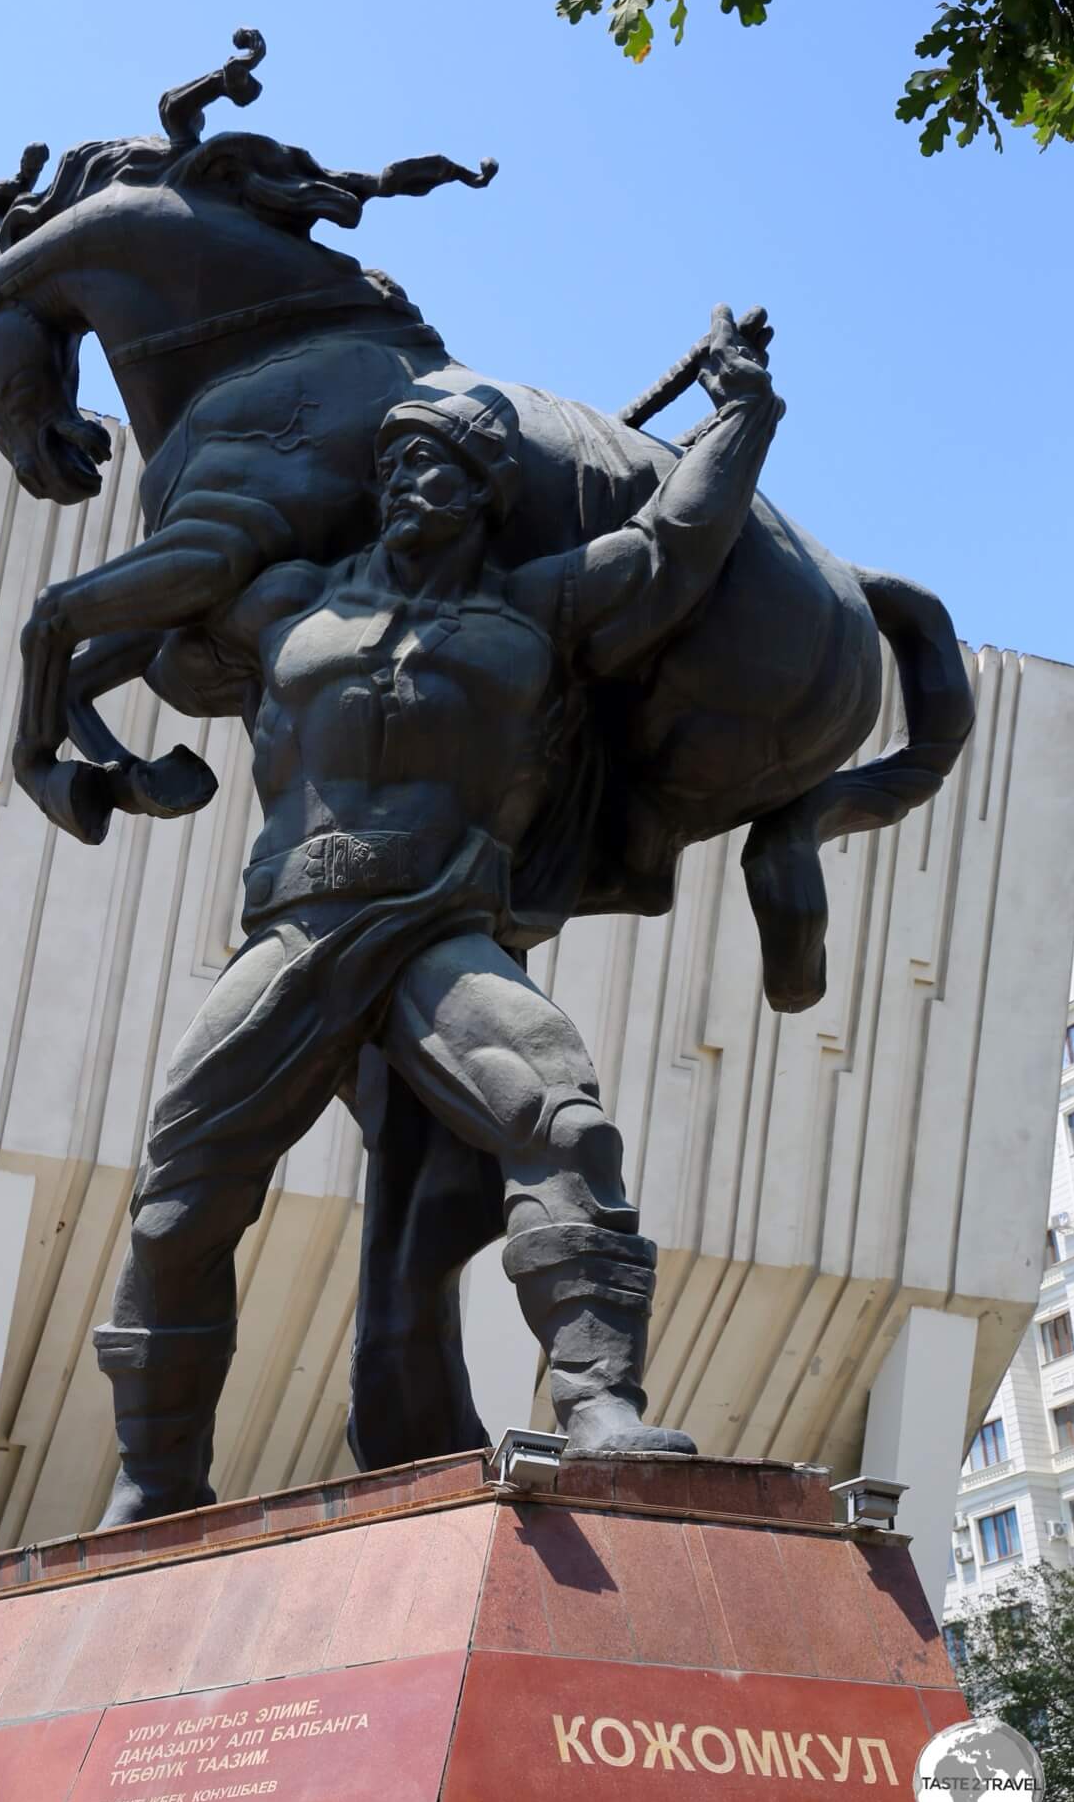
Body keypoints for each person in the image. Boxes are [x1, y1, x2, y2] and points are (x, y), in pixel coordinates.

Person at [93, 304, 783, 1526]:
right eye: (399, 462)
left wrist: (741, 410)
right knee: (176, 1195)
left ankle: (598, 1404)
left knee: (559, 1118)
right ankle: (155, 1482)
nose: (414, 481)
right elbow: (155, 602)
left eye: (443, 467)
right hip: (297, 933)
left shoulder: (537, 614)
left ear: (484, 494)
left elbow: (677, 545)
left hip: (438, 927)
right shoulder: (284, 603)